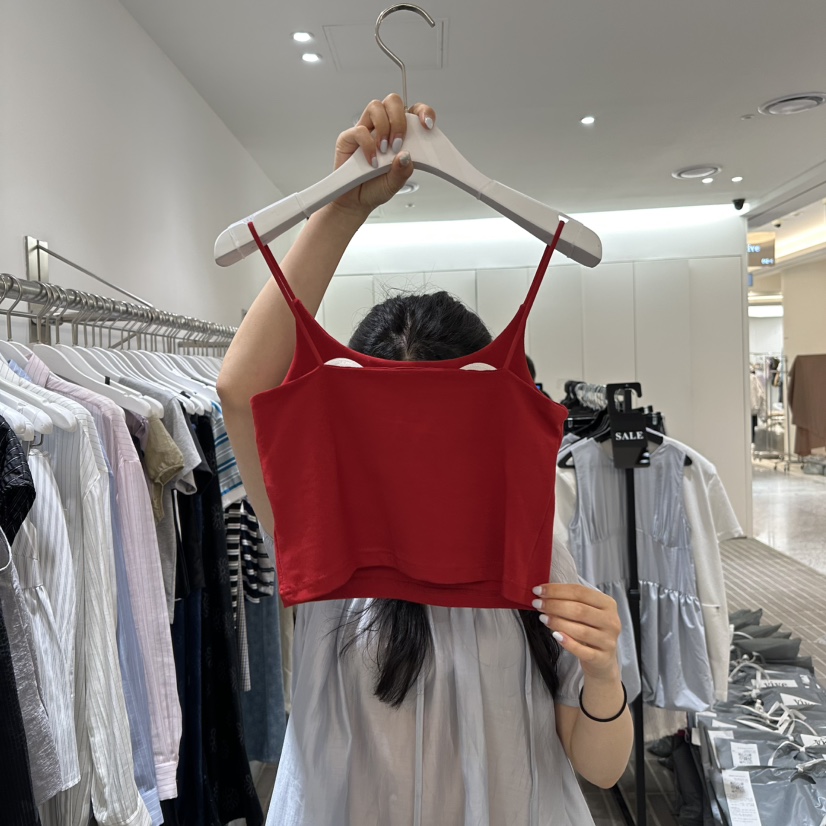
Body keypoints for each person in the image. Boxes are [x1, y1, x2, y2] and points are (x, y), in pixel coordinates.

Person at [218, 94, 633, 825]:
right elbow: (240, 390)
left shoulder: (531, 544)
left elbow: (600, 766)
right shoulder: (320, 525)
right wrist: (341, 209)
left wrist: (604, 677)